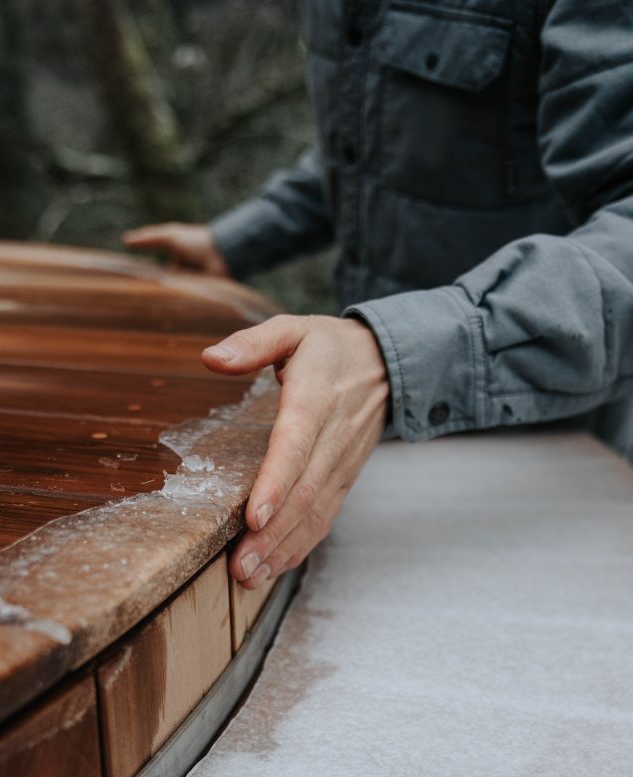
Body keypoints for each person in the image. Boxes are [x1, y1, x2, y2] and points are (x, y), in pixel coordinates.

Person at [124, 0, 633, 590]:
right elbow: (383, 147)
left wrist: (397, 358)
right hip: (371, 458)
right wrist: (233, 242)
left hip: (554, 473)